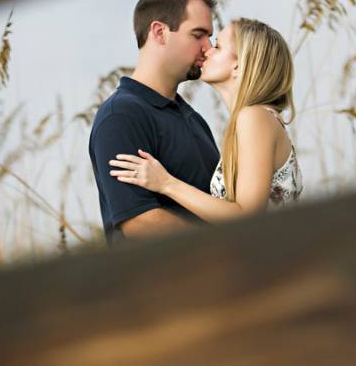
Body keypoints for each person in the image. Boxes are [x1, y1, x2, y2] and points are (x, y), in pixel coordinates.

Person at [108, 17, 303, 224]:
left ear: (238, 65)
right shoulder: (256, 118)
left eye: (217, 46)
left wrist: (166, 183)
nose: (207, 50)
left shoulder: (253, 117)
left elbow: (247, 217)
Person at [88, 0, 220, 245]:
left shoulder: (194, 118)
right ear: (159, 32)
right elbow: (139, 223)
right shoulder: (121, 116)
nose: (208, 47)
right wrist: (226, 243)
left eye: (210, 36)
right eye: (197, 35)